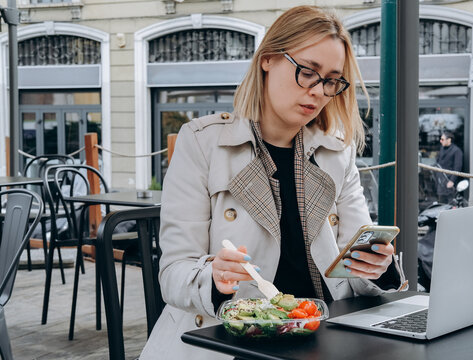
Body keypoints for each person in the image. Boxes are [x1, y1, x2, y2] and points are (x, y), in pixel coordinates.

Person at [140, 6, 407, 359]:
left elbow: (352, 273)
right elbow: (173, 274)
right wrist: (215, 279)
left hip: (324, 336)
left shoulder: (336, 152)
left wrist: (380, 270)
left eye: (330, 80)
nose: (318, 91)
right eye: (307, 72)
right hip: (229, 343)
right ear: (268, 59)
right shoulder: (202, 142)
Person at [435, 130, 463, 204]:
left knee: (451, 204)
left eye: (442, 139)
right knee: (441, 204)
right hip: (441, 182)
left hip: (450, 182)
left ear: (449, 140)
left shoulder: (456, 151)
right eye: (440, 139)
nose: (440, 141)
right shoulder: (442, 149)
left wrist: (452, 181)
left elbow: (457, 167)